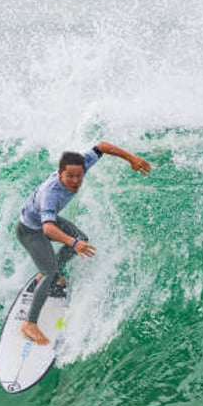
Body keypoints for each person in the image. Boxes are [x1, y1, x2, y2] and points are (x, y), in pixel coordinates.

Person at [16, 141, 151, 345]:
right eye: (69, 176)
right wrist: (73, 243)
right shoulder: (51, 193)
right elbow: (48, 230)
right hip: (30, 231)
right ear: (60, 173)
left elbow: (102, 146)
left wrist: (131, 158)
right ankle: (29, 324)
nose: (75, 181)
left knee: (81, 240)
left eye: (79, 175)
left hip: (44, 222)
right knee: (53, 269)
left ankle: (53, 271)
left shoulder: (80, 166)